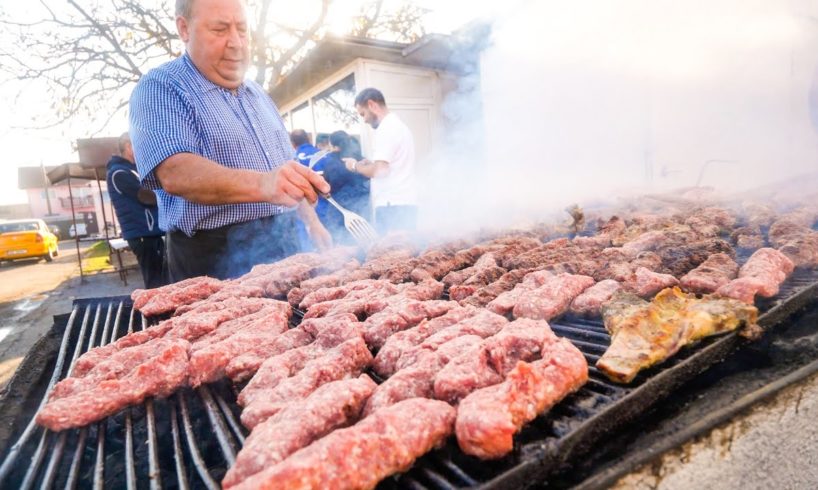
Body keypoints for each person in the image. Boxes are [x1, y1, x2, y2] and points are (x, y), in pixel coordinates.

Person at [129, 0, 331, 282]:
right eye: (220, 29)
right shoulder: (161, 87)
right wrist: (264, 183)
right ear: (184, 28)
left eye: (242, 30)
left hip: (284, 243)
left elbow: (287, 169)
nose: (236, 43)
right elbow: (175, 172)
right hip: (213, 258)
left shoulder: (259, 95)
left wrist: (312, 223)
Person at [344, 88, 417, 234]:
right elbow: (389, 165)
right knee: (405, 250)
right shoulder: (398, 126)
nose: (364, 119)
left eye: (363, 114)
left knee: (391, 254)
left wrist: (354, 166)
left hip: (393, 206)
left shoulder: (387, 129)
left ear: (371, 105)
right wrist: (370, 164)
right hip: (403, 204)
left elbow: (380, 171)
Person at [106, 132, 166, 288]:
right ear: (128, 147)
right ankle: (155, 311)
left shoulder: (133, 170)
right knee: (155, 281)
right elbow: (145, 196)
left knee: (162, 277)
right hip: (142, 235)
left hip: (151, 233)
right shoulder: (119, 173)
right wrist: (169, 191)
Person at [321, 130, 370, 244]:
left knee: (340, 245)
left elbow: (327, 185)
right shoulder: (359, 159)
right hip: (361, 208)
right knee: (362, 242)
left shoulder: (331, 162)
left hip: (338, 210)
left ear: (333, 145)